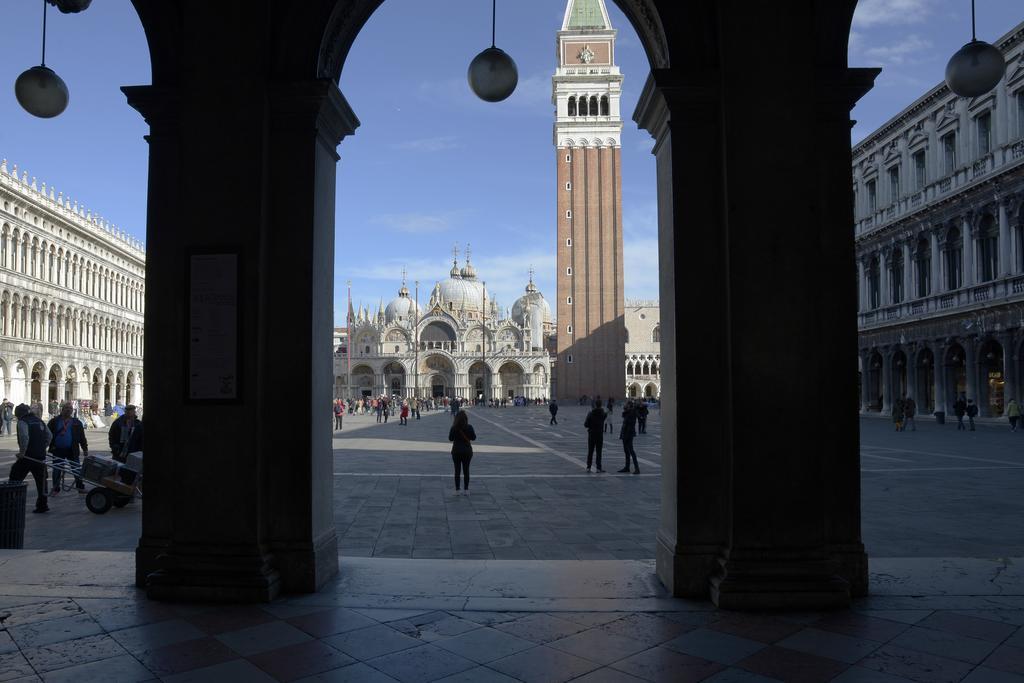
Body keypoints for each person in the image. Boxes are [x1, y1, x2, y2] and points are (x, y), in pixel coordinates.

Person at [10, 404, 51, 513]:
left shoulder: (23, 422)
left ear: (18, 413)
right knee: (42, 481)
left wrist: (22, 452)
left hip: (28, 456)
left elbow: (24, 437)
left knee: (15, 476)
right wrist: (43, 447)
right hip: (40, 456)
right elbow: (49, 435)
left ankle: (11, 501)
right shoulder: (38, 420)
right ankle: (43, 505)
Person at [47, 402, 89, 494]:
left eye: (70, 408)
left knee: (76, 469)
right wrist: (45, 446)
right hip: (58, 450)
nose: (68, 410)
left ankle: (80, 487)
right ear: (62, 409)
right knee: (57, 470)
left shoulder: (76, 422)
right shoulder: (54, 421)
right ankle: (55, 488)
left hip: (72, 450)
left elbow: (82, 437)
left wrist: (85, 449)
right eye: (66, 408)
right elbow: (47, 435)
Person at [448, 410, 476, 493]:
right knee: (466, 470)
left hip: (456, 451)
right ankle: (466, 489)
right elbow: (474, 438)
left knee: (457, 470)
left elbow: (450, 438)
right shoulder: (469, 427)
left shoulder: (454, 427)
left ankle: (457, 489)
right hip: (467, 451)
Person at [584, 399, 607, 472]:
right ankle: (598, 468)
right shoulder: (603, 414)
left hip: (591, 434)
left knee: (590, 451)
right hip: (599, 434)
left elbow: (586, 424)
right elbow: (605, 415)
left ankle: (588, 467)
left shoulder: (590, 413)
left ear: (595, 405)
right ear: (601, 405)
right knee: (599, 452)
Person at [617, 401, 640, 474]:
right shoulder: (627, 412)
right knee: (626, 452)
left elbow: (630, 425)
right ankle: (627, 467)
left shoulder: (632, 413)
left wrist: (626, 435)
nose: (625, 405)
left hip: (628, 434)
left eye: (626, 404)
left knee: (631, 451)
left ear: (629, 406)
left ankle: (637, 469)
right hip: (625, 434)